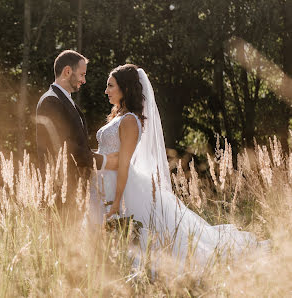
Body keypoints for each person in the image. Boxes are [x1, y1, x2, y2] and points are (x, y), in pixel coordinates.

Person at [90, 64, 269, 266]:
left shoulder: (130, 120)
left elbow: (124, 162)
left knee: (142, 235)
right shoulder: (119, 117)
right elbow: (109, 153)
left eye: (110, 86)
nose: (106, 91)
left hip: (122, 185)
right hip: (104, 180)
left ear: (126, 89)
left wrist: (117, 202)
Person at [36, 50, 118, 202]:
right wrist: (105, 161)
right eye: (82, 75)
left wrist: (101, 153)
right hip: (60, 191)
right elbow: (66, 148)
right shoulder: (51, 101)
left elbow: (78, 145)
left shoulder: (64, 100)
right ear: (67, 71)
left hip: (74, 190)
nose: (84, 80)